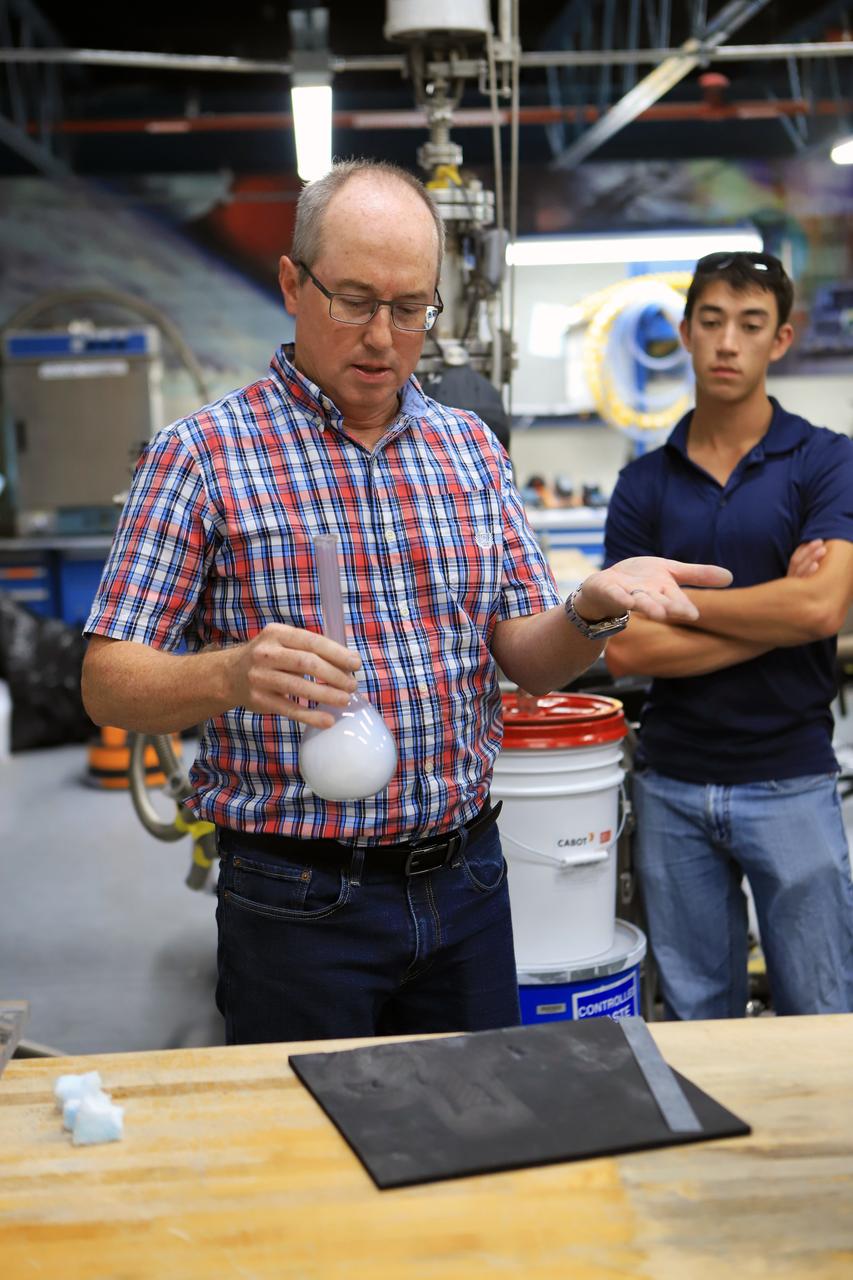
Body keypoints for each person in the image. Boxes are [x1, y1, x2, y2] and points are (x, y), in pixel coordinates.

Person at [81, 159, 729, 1044]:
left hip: (467, 882)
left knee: (479, 1144)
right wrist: (234, 673)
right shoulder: (202, 456)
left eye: (410, 307)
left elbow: (526, 660)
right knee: (312, 1164)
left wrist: (589, 610)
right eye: (353, 299)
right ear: (292, 284)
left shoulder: (468, 451)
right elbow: (107, 681)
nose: (383, 336)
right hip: (297, 902)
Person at [604, 250, 853, 1020]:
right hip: (672, 782)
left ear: (780, 340)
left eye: (750, 325)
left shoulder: (825, 460)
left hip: (791, 780)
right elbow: (626, 648)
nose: (726, 343)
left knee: (821, 1012)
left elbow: (821, 612)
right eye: (710, 322)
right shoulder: (643, 483)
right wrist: (778, 608)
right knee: (693, 1020)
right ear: (683, 333)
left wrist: (679, 604)